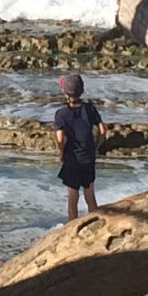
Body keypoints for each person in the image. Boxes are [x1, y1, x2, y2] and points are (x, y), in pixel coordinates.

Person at [53, 73, 107, 221]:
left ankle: (72, 227)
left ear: (65, 92)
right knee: (90, 195)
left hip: (72, 158)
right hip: (88, 156)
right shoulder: (90, 108)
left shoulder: (61, 113)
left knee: (72, 197)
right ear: (81, 90)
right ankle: (95, 224)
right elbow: (103, 131)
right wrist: (96, 146)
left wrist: (61, 153)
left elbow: (59, 138)